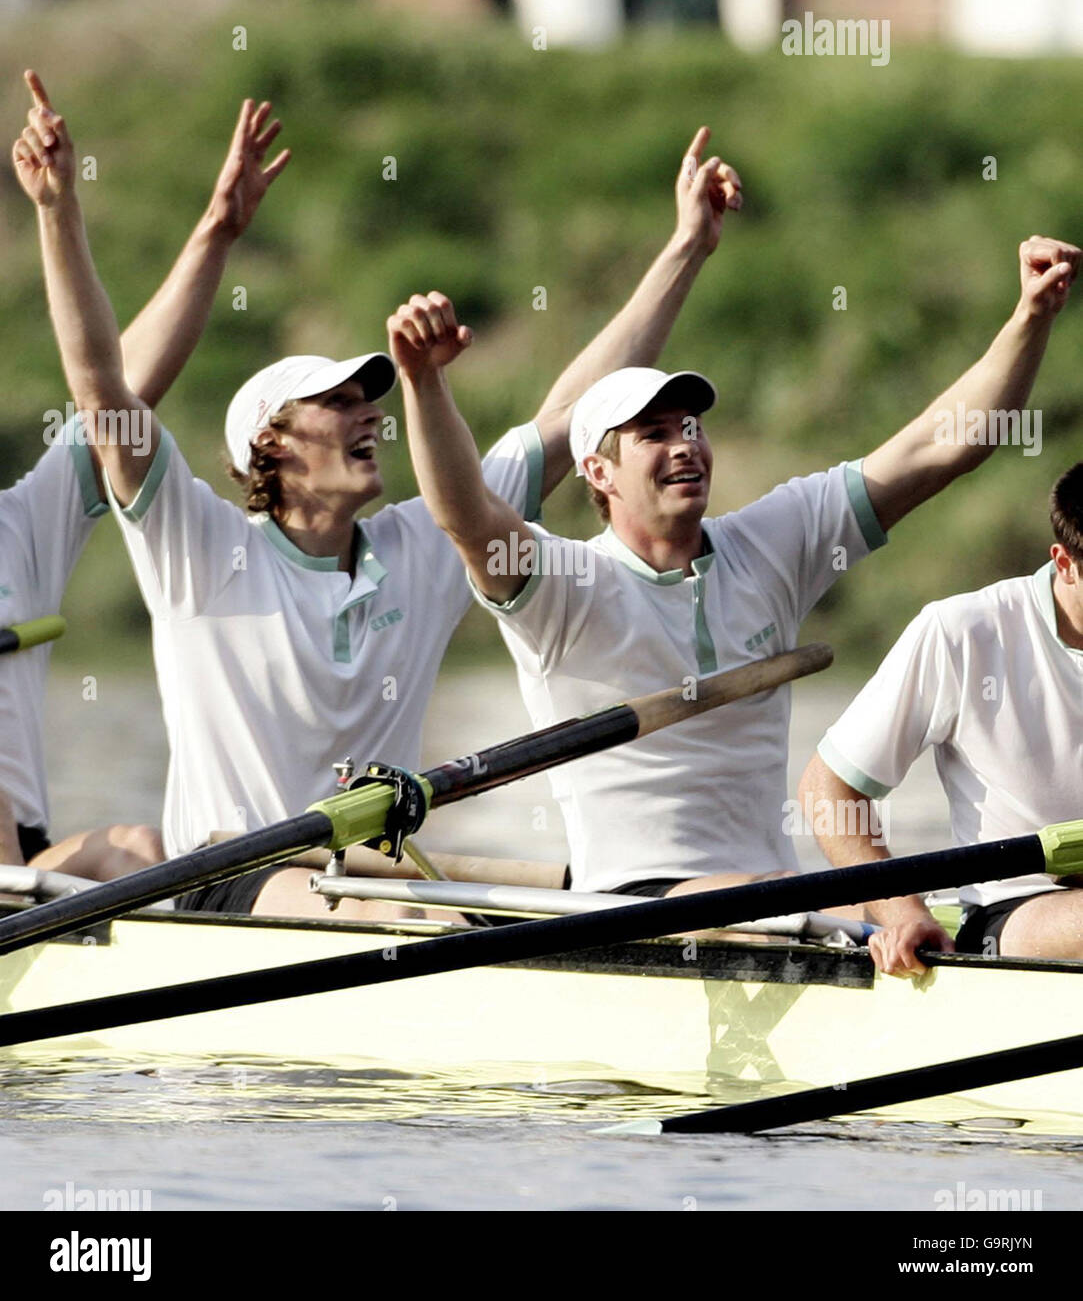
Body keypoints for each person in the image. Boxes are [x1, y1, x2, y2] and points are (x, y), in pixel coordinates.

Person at [32, 90, 741, 918]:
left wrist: (686, 248)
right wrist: (58, 209)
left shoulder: (421, 550)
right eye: (338, 400)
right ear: (273, 448)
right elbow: (99, 388)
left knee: (557, 903)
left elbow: (570, 424)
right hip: (224, 879)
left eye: (372, 394)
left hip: (364, 874)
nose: (371, 410)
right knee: (422, 919)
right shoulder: (195, 548)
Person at [392, 227, 1079, 899]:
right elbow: (462, 515)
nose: (684, 446)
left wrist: (1028, 317)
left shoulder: (772, 543)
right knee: (830, 905)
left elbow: (939, 447)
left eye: (691, 427)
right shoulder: (560, 586)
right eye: (653, 435)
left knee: (845, 907)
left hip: (770, 895)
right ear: (597, 472)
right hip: (631, 900)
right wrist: (423, 383)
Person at [5, 69, 290, 881]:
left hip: (18, 872)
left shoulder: (20, 527)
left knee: (140, 849)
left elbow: (117, 395)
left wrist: (214, 234)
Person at [800, 456, 1083, 975]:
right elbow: (828, 790)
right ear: (1064, 562)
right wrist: (898, 908)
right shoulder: (962, 632)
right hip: (1014, 909)